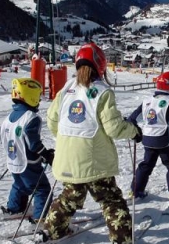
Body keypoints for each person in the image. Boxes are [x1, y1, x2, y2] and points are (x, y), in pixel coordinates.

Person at [44, 42, 141, 243]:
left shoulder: (65, 90)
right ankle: (122, 239)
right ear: (101, 66)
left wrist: (67, 140)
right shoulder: (102, 92)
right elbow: (113, 127)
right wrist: (134, 131)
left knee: (70, 196)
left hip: (67, 158)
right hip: (95, 162)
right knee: (110, 200)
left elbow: (52, 121)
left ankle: (52, 230)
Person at [126, 71, 169, 203]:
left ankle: (135, 191)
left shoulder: (148, 101)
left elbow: (132, 118)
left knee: (146, 165)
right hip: (165, 141)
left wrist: (135, 130)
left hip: (148, 139)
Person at [0, 78, 54, 223]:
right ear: (31, 96)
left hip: (13, 160)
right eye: (37, 96)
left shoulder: (8, 118)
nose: (39, 100)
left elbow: (3, 140)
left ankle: (14, 208)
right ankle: (40, 219)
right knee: (42, 188)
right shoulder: (31, 118)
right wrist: (45, 154)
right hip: (28, 163)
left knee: (20, 184)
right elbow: (33, 144)